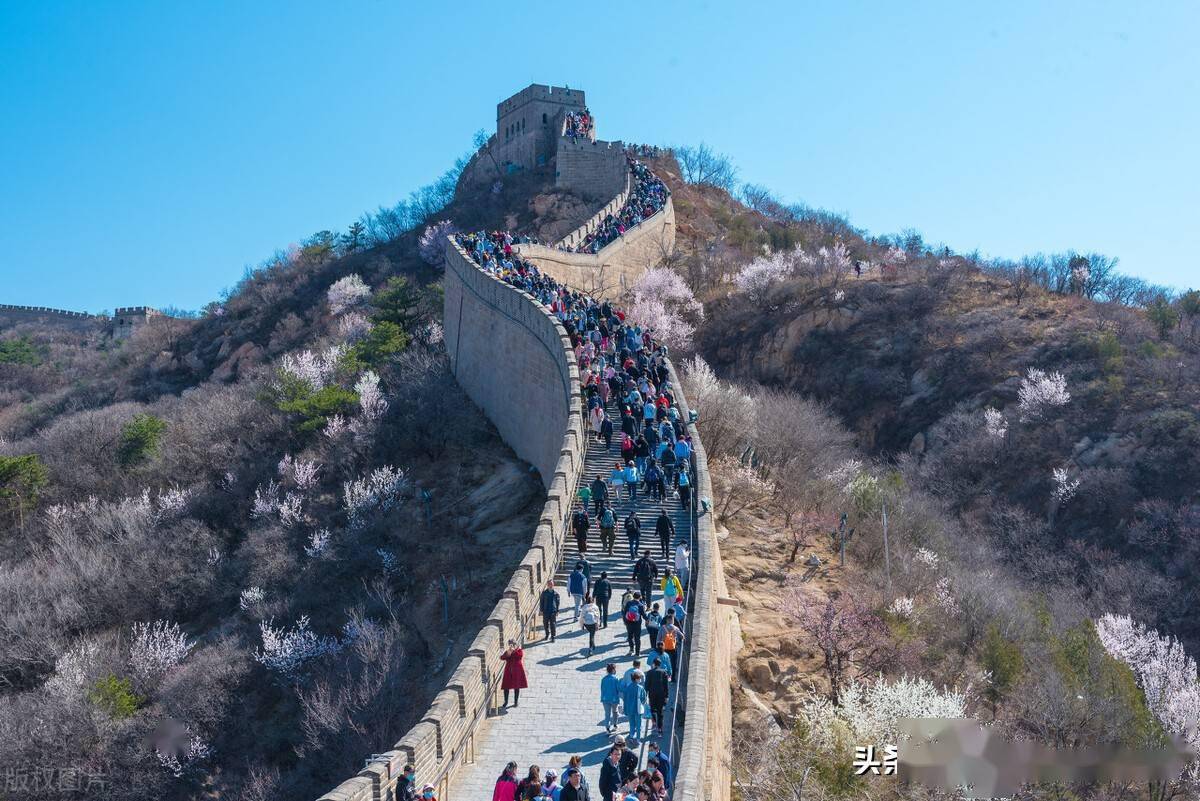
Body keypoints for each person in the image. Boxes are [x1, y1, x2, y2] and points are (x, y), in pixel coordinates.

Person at [622, 671, 649, 743]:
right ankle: (638, 739)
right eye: (639, 678)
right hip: (638, 709)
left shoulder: (628, 687)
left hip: (630, 709)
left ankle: (631, 736)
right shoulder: (640, 688)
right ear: (636, 679)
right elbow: (644, 699)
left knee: (631, 724)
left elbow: (625, 698)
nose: (640, 680)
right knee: (638, 725)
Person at [644, 660, 669, 735]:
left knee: (652, 709)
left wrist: (645, 694)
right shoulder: (664, 672)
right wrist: (666, 696)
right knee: (660, 712)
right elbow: (666, 685)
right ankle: (660, 729)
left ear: (653, 664)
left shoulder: (649, 672)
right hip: (661, 695)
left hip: (652, 694)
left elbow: (647, 685)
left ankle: (654, 722)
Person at [657, 613, 684, 681]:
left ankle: (664, 677)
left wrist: (657, 647)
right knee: (673, 663)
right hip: (673, 648)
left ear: (666, 620)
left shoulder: (662, 628)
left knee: (664, 663)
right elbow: (682, 636)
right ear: (672, 620)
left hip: (664, 648)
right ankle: (673, 678)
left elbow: (658, 638)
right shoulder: (675, 628)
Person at [500, 641, 527, 706]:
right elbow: (502, 658)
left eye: (514, 644)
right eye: (511, 645)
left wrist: (513, 651)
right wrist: (507, 653)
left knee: (516, 686)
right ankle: (506, 702)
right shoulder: (508, 651)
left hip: (517, 671)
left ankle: (515, 702)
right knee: (506, 687)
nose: (512, 646)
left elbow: (519, 656)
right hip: (508, 670)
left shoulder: (519, 651)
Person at [600, 662, 621, 733]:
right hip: (614, 699)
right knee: (615, 712)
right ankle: (615, 725)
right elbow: (618, 689)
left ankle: (607, 728)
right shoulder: (616, 679)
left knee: (607, 714)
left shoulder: (604, 679)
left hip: (605, 699)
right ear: (613, 670)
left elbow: (602, 689)